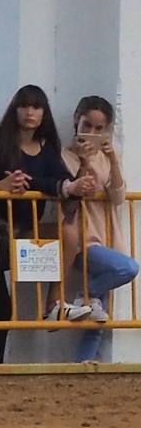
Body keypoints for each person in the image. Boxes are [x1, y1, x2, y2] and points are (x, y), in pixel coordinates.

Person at [0, 85, 79, 359]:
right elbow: (24, 180)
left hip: (31, 224)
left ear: (44, 114)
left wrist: (71, 185)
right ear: (15, 109)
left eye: (37, 107)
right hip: (1, 224)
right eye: (25, 106)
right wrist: (57, 186)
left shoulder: (47, 147)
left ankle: (54, 301)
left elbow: (61, 178)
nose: (30, 112)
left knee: (71, 235)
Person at [60, 96, 137, 360]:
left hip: (106, 236)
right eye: (86, 125)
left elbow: (117, 197)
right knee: (127, 267)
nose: (91, 133)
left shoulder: (106, 158)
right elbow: (81, 188)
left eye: (98, 128)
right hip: (81, 238)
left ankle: (82, 364)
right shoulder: (65, 156)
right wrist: (85, 161)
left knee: (98, 319)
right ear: (76, 121)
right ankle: (87, 295)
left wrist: (112, 158)